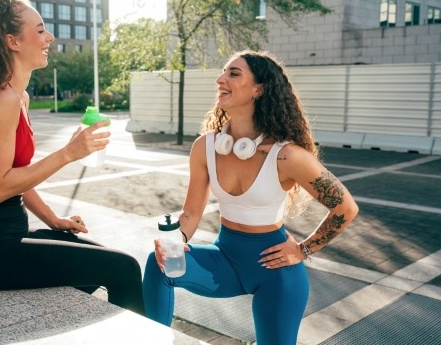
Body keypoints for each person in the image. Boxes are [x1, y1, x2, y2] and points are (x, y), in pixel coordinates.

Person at [0, 0, 145, 316]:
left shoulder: (18, 98)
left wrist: (54, 220)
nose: (49, 37)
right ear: (13, 41)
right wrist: (68, 153)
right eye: (40, 30)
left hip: (9, 235)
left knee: (101, 260)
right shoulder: (2, 100)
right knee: (123, 269)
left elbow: (17, 177)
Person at [142, 49, 359, 343]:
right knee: (159, 264)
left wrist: (304, 249)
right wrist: (177, 241)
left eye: (233, 73)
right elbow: (191, 213)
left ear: (259, 88)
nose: (220, 79)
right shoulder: (205, 147)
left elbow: (345, 208)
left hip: (275, 272)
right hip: (225, 259)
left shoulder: (287, 156)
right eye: (223, 72)